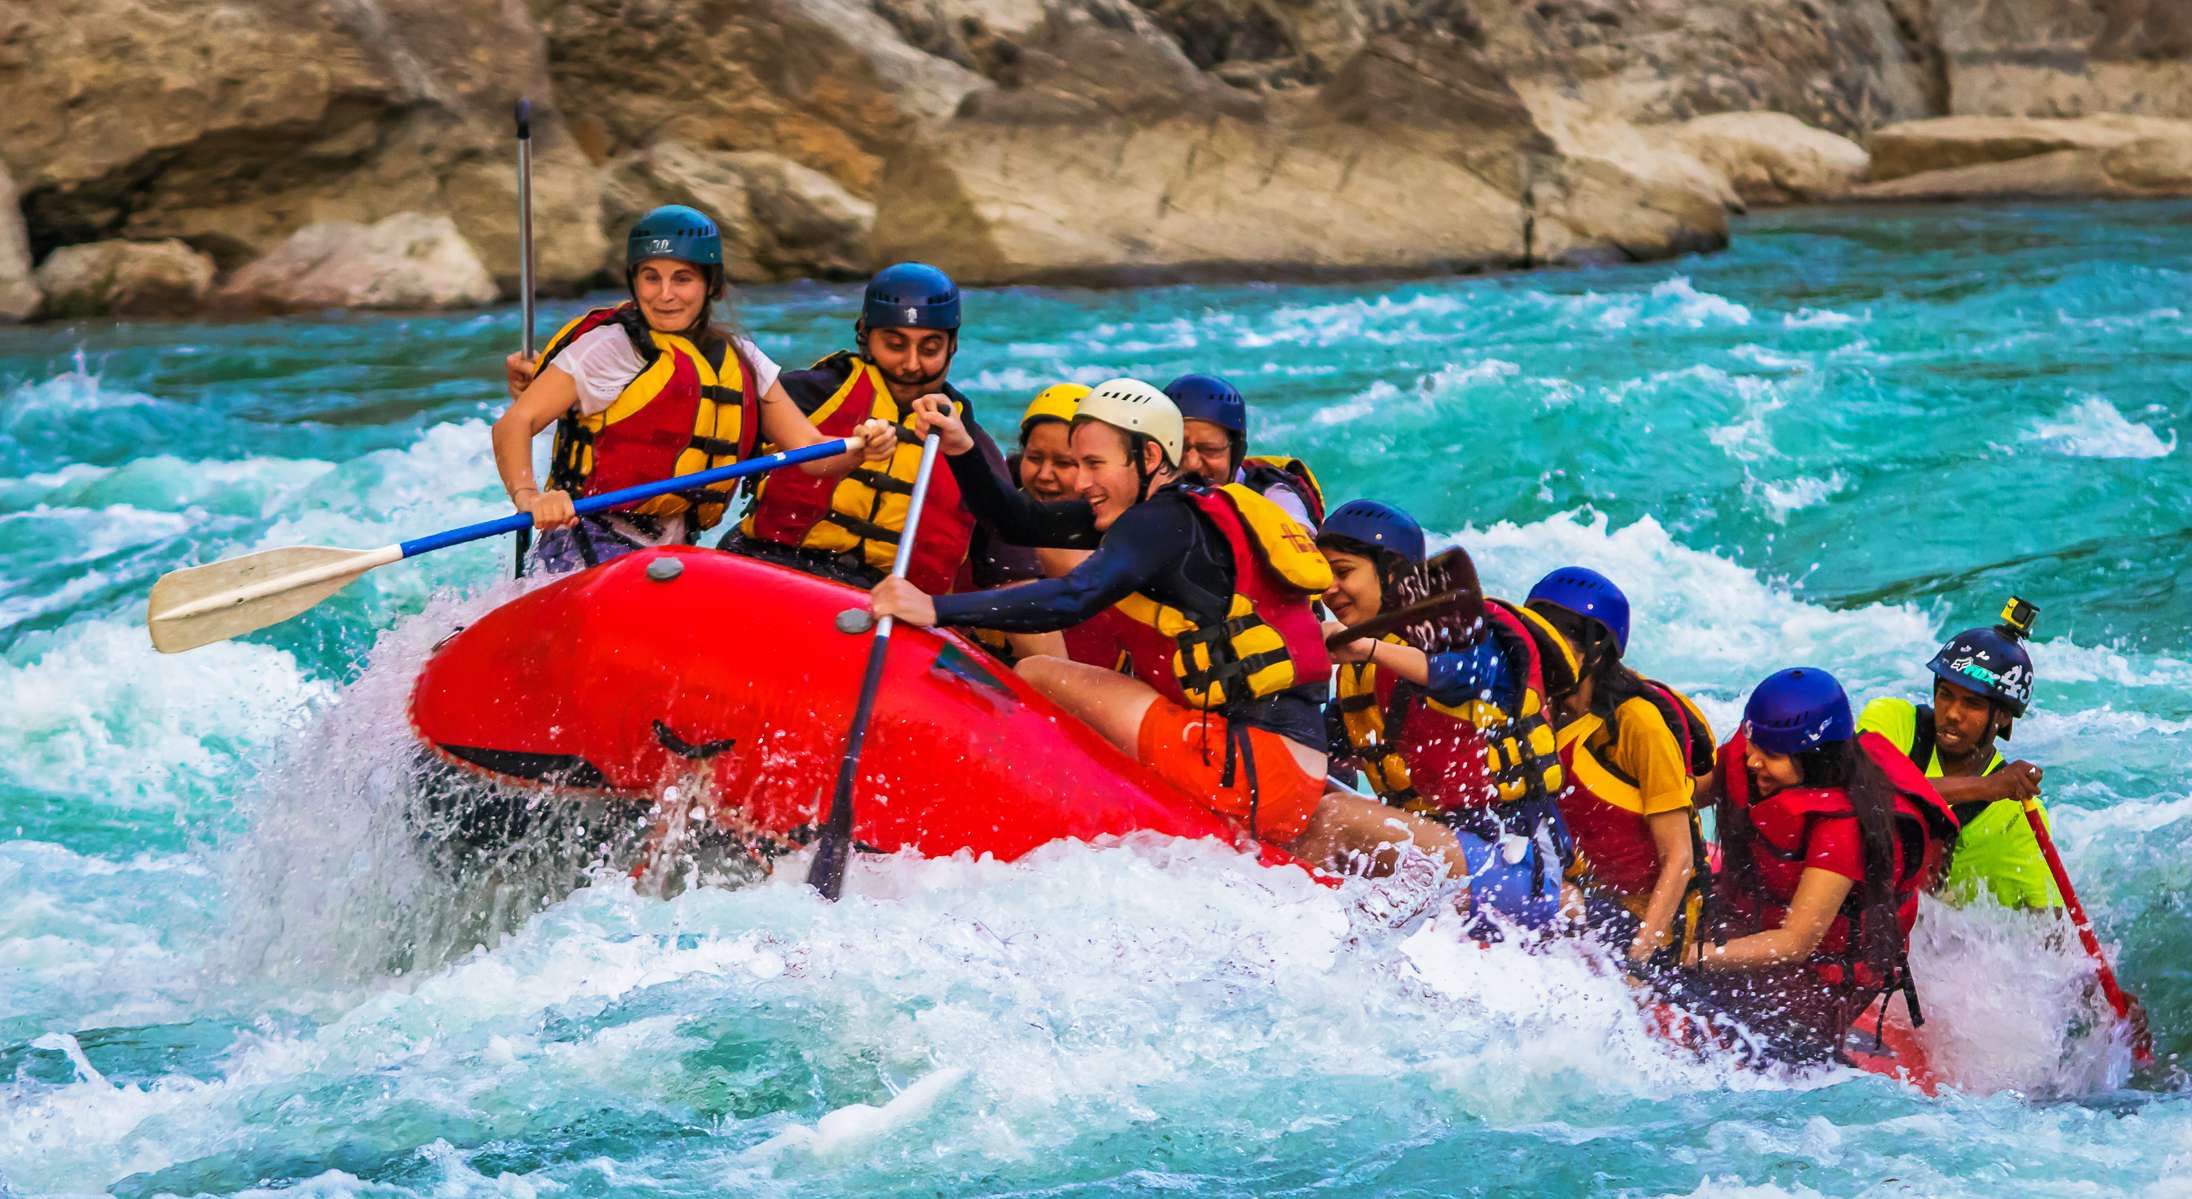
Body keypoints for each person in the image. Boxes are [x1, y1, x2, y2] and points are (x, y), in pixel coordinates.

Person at [866, 380, 1476, 881]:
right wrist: (962, 446)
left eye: (1095, 464)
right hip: (1275, 767)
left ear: (1149, 459)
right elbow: (1015, 518)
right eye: (1078, 463)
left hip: (1253, 768)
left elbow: (1072, 598)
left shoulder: (1163, 525)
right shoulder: (1165, 514)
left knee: (1038, 672)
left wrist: (935, 609)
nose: (1079, 481)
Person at [492, 205, 893, 572]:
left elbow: (810, 451)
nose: (665, 294)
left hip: (676, 551)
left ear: (711, 286)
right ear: (634, 282)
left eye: (682, 279)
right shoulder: (611, 348)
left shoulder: (746, 361)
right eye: (651, 278)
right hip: (585, 542)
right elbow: (514, 423)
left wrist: (861, 448)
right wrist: (531, 497)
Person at [1678, 667, 1959, 1066]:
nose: (1752, 760)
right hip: (1749, 913)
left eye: (1771, 755)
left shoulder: (1845, 828)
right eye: (1752, 743)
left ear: (1815, 758)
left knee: (1762, 1049)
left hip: (1817, 970)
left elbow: (1794, 943)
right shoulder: (1756, 751)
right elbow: (1684, 797)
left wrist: (1691, 956)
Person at [1317, 500, 1571, 926]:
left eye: (1343, 572)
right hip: (1441, 852)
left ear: (1393, 573)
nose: (1329, 589)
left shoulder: (1468, 635)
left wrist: (1367, 648)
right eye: (1324, 576)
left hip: (1517, 864)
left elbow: (1461, 674)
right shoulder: (1357, 674)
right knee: (1310, 799)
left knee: (1335, 818)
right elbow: (1319, 752)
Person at [723, 262, 1010, 594]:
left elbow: (1012, 574)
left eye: (930, 349)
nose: (911, 364)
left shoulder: (975, 452)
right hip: (772, 569)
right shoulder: (805, 396)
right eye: (895, 345)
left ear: (953, 345)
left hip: (883, 602)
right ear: (864, 333)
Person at [1524, 567, 1714, 971]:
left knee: (1557, 900)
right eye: (1537, 636)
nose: (1543, 651)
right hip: (1584, 896)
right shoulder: (1539, 712)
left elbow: (1679, 856)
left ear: (1595, 652)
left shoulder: (1638, 724)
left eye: (1556, 640)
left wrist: (1639, 959)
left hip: (1644, 924)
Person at [1856, 599, 2063, 910]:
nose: (1952, 713)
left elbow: (2048, 918)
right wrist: (1986, 788)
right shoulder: (1891, 721)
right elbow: (1862, 788)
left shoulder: (2015, 816)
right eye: (1946, 695)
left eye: (1972, 704)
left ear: (2003, 717)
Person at [1163, 373, 1325, 531]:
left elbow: (1299, 532)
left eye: (1210, 450)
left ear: (1237, 452)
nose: (1192, 463)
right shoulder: (1151, 486)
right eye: (1179, 447)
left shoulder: (1272, 493)